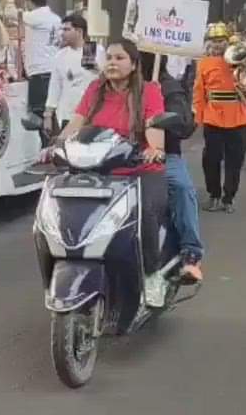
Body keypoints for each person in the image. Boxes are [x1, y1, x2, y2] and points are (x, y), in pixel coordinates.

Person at [58, 40, 169, 304]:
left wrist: (154, 148)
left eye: (119, 58)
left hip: (138, 168)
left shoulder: (149, 90)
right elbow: (77, 122)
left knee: (145, 214)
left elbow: (154, 125)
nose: (112, 63)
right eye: (108, 57)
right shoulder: (96, 88)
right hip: (97, 168)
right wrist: (56, 144)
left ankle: (152, 276)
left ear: (133, 65)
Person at [142, 51, 205, 282]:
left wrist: (164, 113)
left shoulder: (167, 88)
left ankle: (191, 254)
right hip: (118, 157)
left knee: (181, 188)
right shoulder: (110, 89)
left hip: (164, 156)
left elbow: (185, 126)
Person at [193, 23, 246, 214]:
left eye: (221, 41)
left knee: (235, 160)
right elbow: (199, 92)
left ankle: (229, 197)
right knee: (211, 159)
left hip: (238, 116)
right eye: (214, 41)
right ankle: (213, 195)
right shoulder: (204, 63)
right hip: (213, 116)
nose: (217, 45)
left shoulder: (241, 57)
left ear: (227, 41)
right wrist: (199, 117)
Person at [44, 13, 102, 132]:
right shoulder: (60, 55)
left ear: (79, 31)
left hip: (91, 114)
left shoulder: (93, 49)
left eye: (67, 29)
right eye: (62, 29)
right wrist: (48, 114)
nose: (62, 33)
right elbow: (55, 86)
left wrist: (97, 69)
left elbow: (105, 78)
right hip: (67, 114)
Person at [20, 0, 61, 127]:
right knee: (47, 113)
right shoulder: (55, 18)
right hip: (49, 69)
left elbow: (16, 15)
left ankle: (47, 145)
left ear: (29, 1)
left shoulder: (36, 17)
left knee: (40, 114)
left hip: (40, 72)